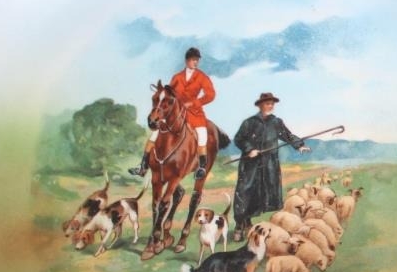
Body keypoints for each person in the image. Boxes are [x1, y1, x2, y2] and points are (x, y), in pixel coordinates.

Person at [132, 46, 216, 179]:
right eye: (193, 59)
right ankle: (143, 166)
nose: (196, 62)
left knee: (202, 135)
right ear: (187, 61)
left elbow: (211, 95)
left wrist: (194, 103)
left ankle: (201, 167)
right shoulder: (177, 77)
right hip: (176, 114)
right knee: (155, 134)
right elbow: (170, 95)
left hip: (194, 113)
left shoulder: (202, 77)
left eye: (197, 60)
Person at [233, 92, 311, 231]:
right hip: (250, 164)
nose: (271, 106)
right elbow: (239, 139)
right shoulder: (249, 122)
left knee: (262, 193)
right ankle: (240, 225)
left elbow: (287, 135)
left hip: (269, 163)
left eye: (272, 104)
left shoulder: (276, 122)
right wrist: (250, 149)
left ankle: (248, 221)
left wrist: (299, 145)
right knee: (245, 192)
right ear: (260, 105)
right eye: (268, 104)